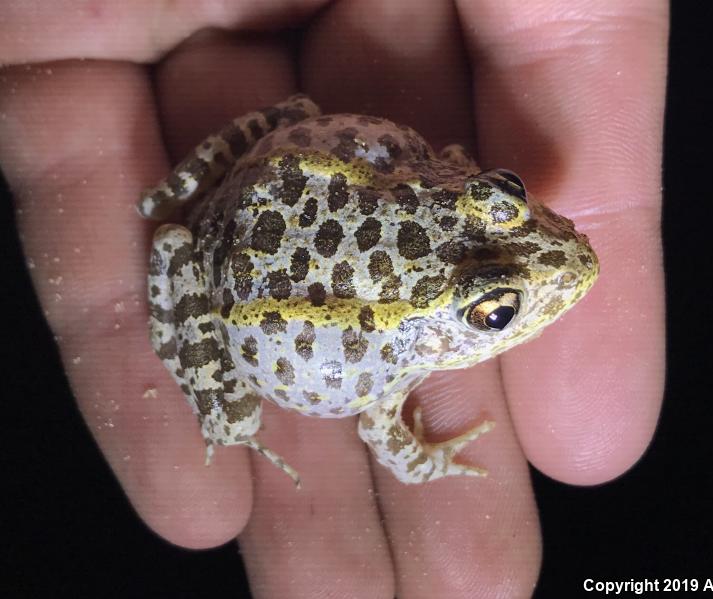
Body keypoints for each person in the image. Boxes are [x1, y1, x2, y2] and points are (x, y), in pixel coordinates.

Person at [0, 1, 668, 596]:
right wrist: (425, 458)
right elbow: (387, 435)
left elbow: (434, 157)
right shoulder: (407, 338)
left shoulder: (443, 182)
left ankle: (174, 196)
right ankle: (219, 406)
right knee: (233, 413)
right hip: (226, 282)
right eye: (497, 312)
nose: (562, 241)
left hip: (262, 171)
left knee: (295, 116)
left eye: (507, 205)